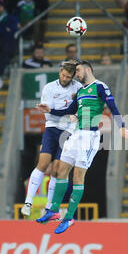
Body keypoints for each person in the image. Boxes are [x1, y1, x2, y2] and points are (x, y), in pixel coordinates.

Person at [35, 60, 128, 234]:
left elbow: (113, 107)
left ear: (88, 70)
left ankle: (69, 218)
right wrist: (49, 109)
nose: (76, 74)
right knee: (60, 170)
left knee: (77, 176)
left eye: (78, 70)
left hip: (90, 137)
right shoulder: (80, 91)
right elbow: (68, 110)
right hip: (76, 134)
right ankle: (54, 211)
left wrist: (122, 127)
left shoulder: (100, 87)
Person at [21, 62, 82, 218]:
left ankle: (49, 207)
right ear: (59, 72)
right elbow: (49, 114)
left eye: (68, 77)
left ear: (72, 77)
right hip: (52, 128)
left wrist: (71, 115)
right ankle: (28, 202)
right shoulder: (49, 87)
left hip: (68, 131)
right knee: (42, 163)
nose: (64, 78)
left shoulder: (77, 88)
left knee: (56, 170)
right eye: (63, 75)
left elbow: (77, 110)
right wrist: (68, 114)